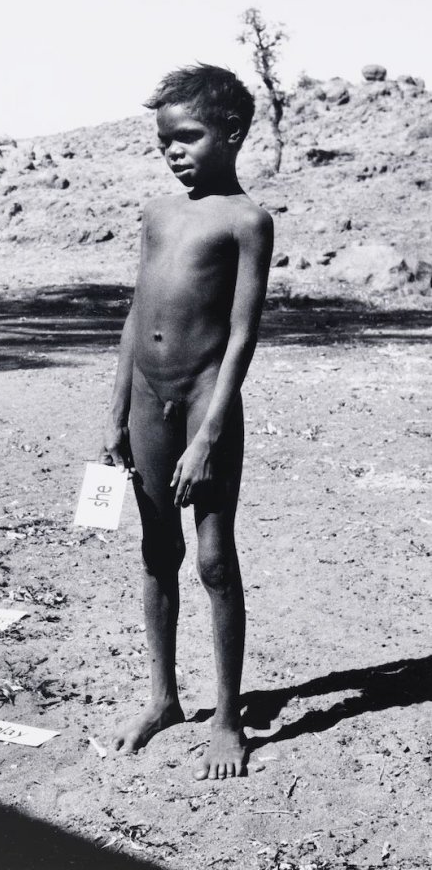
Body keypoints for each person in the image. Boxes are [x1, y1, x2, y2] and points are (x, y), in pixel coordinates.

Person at [99, 64, 273, 780]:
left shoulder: (246, 222)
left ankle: (228, 717)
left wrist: (207, 435)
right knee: (154, 551)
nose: (173, 152)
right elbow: (137, 315)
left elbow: (241, 335)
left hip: (206, 407)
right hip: (146, 402)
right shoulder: (157, 214)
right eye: (163, 140)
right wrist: (114, 412)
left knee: (212, 558)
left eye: (188, 137)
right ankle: (164, 698)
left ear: (230, 134)